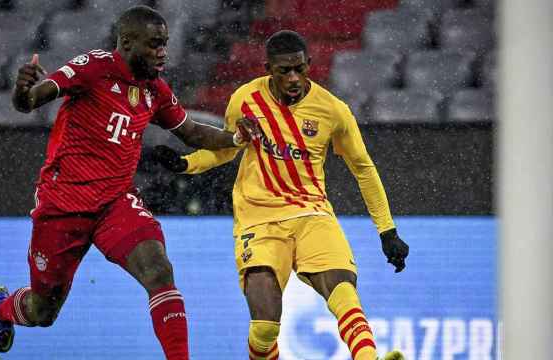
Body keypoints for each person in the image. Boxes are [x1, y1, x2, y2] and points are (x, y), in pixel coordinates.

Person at [0, 5, 255, 359]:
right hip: (63, 206)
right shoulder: (93, 67)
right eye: (155, 44)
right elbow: (33, 100)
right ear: (127, 42)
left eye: (165, 44)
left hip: (115, 203)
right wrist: (23, 91)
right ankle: (2, 308)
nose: (163, 52)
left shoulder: (154, 89)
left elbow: (190, 131)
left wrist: (235, 139)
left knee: (159, 270)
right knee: (42, 312)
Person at [154, 30, 410, 360]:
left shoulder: (333, 110)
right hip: (258, 221)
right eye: (283, 71)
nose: (293, 78)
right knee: (264, 328)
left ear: (309, 65)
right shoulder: (245, 99)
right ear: (267, 69)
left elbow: (364, 168)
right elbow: (226, 150)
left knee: (345, 294)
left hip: (312, 215)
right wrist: (185, 163)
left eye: (300, 69)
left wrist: (387, 231)